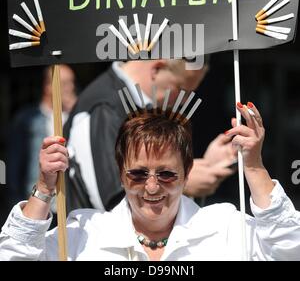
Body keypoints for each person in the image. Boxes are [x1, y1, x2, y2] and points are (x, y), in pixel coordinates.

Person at [1, 102, 300, 261]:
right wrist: (44, 188)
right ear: (121, 172)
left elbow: (291, 250)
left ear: (186, 172)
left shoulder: (226, 229)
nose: (153, 187)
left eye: (167, 174)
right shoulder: (82, 235)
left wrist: (254, 166)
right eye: (138, 173)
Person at [64, 59, 236, 211]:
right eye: (181, 89)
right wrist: (181, 183)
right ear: (157, 68)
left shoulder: (129, 105)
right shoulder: (104, 108)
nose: (183, 101)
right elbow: (112, 200)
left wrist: (203, 165)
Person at [7, 65, 77, 205]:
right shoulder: (27, 119)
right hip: (36, 199)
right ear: (47, 86)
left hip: (69, 202)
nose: (69, 89)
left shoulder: (77, 117)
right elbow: (14, 164)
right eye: (64, 84)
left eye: (72, 83)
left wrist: (77, 110)